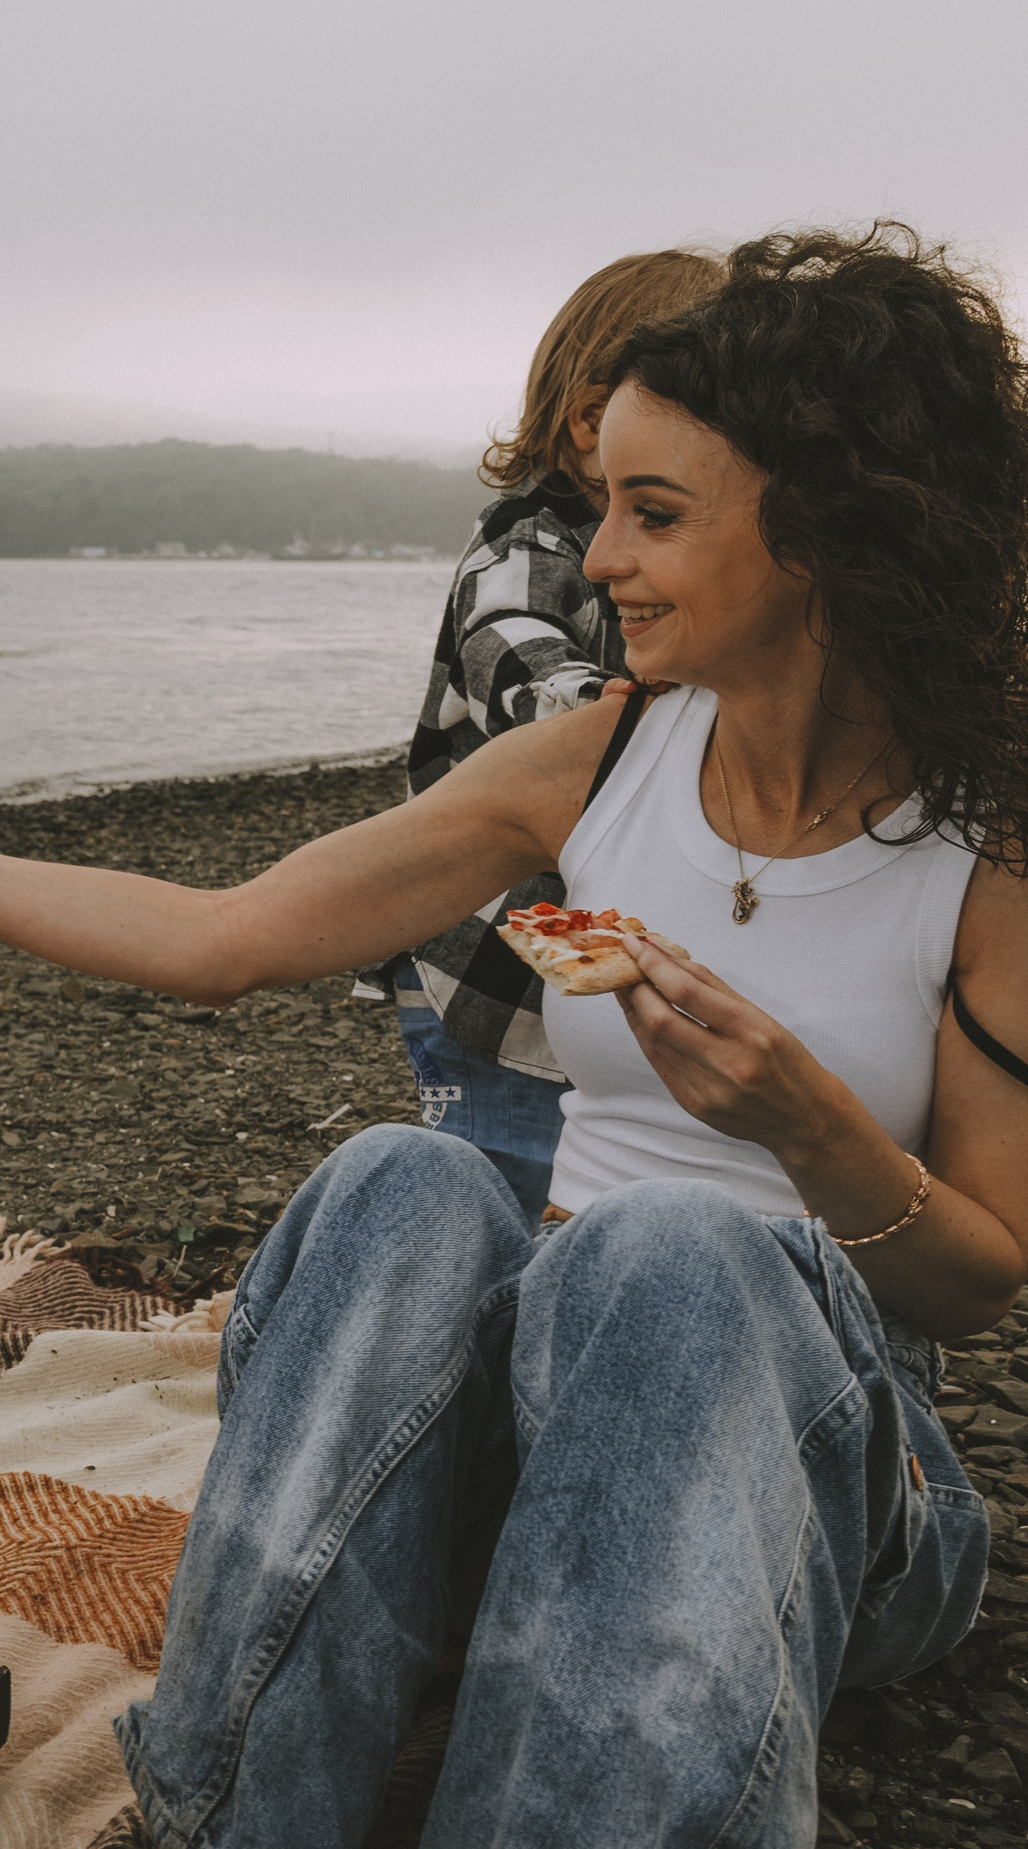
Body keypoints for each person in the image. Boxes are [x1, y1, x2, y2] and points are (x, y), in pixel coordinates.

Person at [0, 223, 1027, 1849]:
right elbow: (221, 939)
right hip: (559, 1450)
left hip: (818, 1475)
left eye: (652, 513)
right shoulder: (603, 756)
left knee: (671, 1251)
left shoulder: (985, 847)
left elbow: (978, 1281)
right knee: (402, 1179)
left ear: (813, 531)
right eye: (601, 509)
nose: (601, 561)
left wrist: (808, 1126)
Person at [380, 248, 722, 1220]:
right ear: (589, 422)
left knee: (609, 1196)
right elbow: (522, 670)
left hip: (599, 978)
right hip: (492, 979)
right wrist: (681, 727)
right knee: (495, 1192)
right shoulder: (524, 545)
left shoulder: (689, 550)